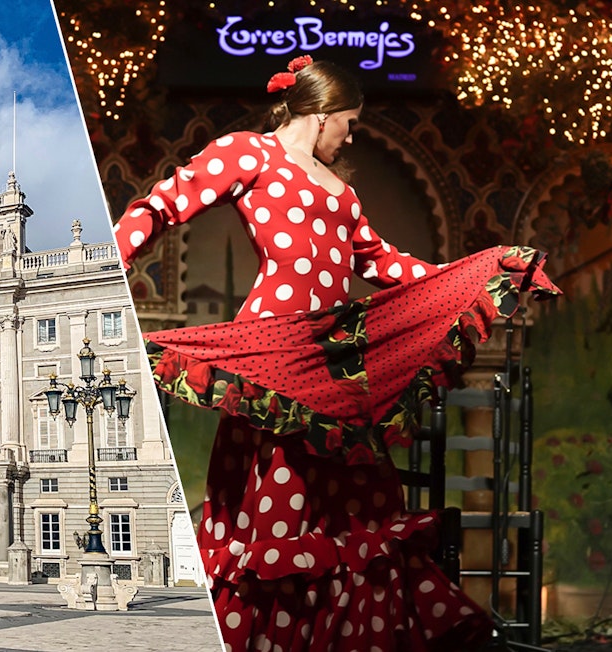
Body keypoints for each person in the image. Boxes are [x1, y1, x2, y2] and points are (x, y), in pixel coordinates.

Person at [112, 55, 560, 651]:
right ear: (322, 114)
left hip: (336, 362)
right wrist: (106, 272)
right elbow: (162, 204)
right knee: (281, 497)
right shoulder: (250, 152)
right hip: (277, 351)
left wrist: (475, 274)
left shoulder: (341, 192)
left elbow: (384, 264)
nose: (351, 136)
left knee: (365, 504)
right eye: (349, 122)